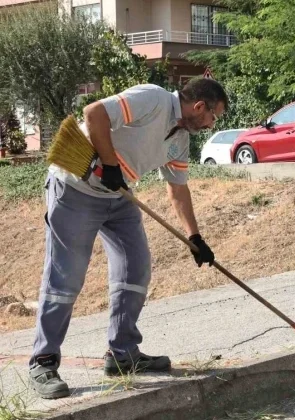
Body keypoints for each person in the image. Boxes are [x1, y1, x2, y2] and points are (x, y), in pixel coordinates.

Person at [29, 78, 228, 399]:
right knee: (67, 277)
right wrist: (109, 164)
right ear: (199, 107)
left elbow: (177, 188)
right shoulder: (153, 99)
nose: (211, 124)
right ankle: (43, 359)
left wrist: (195, 237)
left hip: (117, 195)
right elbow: (94, 113)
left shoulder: (179, 139)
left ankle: (122, 354)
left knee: (135, 268)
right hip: (74, 187)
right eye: (213, 117)